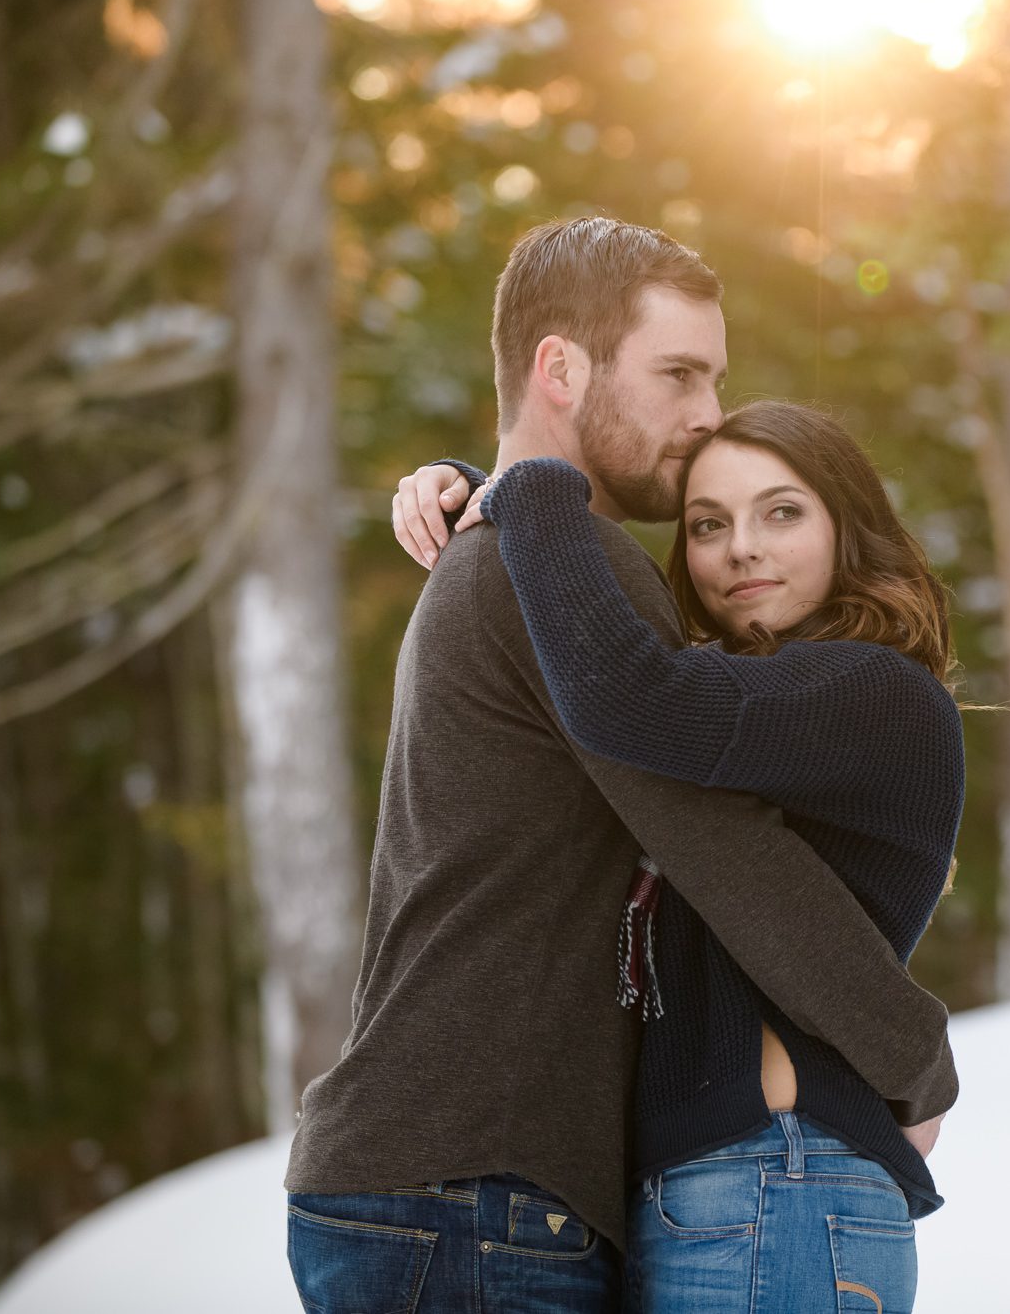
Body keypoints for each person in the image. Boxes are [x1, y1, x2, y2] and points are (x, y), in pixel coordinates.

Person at [284, 219, 957, 1314]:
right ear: (561, 368)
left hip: (450, 1178)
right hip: (476, 1186)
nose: (703, 415)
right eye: (678, 373)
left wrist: (495, 482)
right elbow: (719, 845)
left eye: (715, 378)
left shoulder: (514, 558)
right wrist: (910, 1046)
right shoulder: (565, 564)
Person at [394, 397, 966, 1314]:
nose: (742, 547)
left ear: (848, 526)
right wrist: (485, 502)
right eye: (708, 524)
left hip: (777, 1179)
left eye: (782, 511)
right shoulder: (751, 715)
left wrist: (532, 487)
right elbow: (610, 667)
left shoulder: (873, 689)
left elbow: (630, 691)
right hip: (723, 1191)